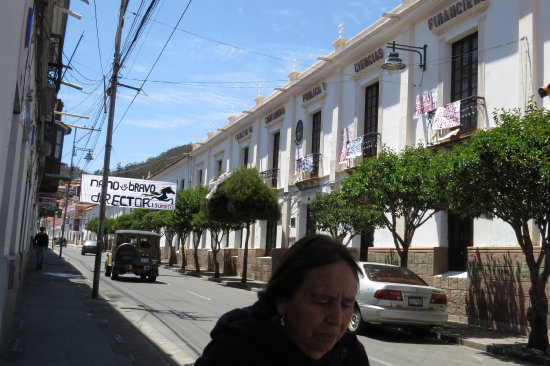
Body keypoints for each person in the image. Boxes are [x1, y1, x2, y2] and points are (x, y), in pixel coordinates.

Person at [195, 234, 369, 366]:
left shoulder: (350, 354)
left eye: (347, 304)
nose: (337, 319)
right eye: (322, 301)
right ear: (282, 300)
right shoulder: (233, 351)